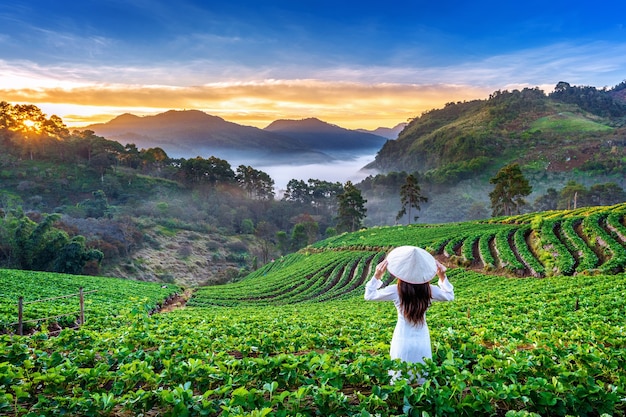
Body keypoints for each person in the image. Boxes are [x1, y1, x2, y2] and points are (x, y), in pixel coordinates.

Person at [364, 245, 454, 383]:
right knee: (421, 379)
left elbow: (369, 295)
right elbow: (449, 295)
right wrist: (442, 276)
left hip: (402, 339)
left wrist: (377, 276)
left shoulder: (396, 290)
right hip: (422, 339)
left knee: (399, 379)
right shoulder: (429, 290)